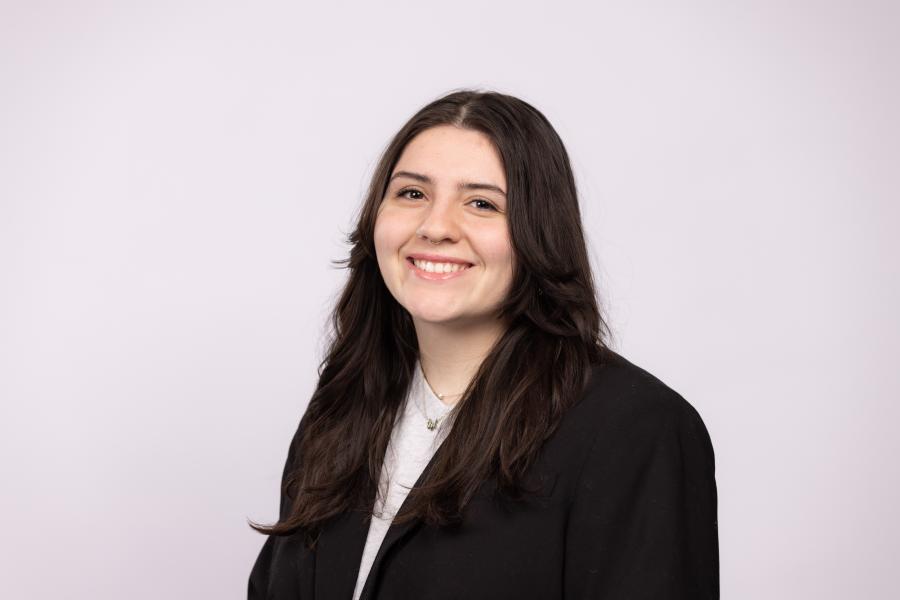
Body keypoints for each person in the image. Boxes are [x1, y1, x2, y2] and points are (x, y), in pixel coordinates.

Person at [247, 89, 719, 599]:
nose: (435, 227)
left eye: (481, 203)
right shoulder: (345, 401)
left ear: (539, 231)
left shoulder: (637, 429)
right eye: (412, 193)